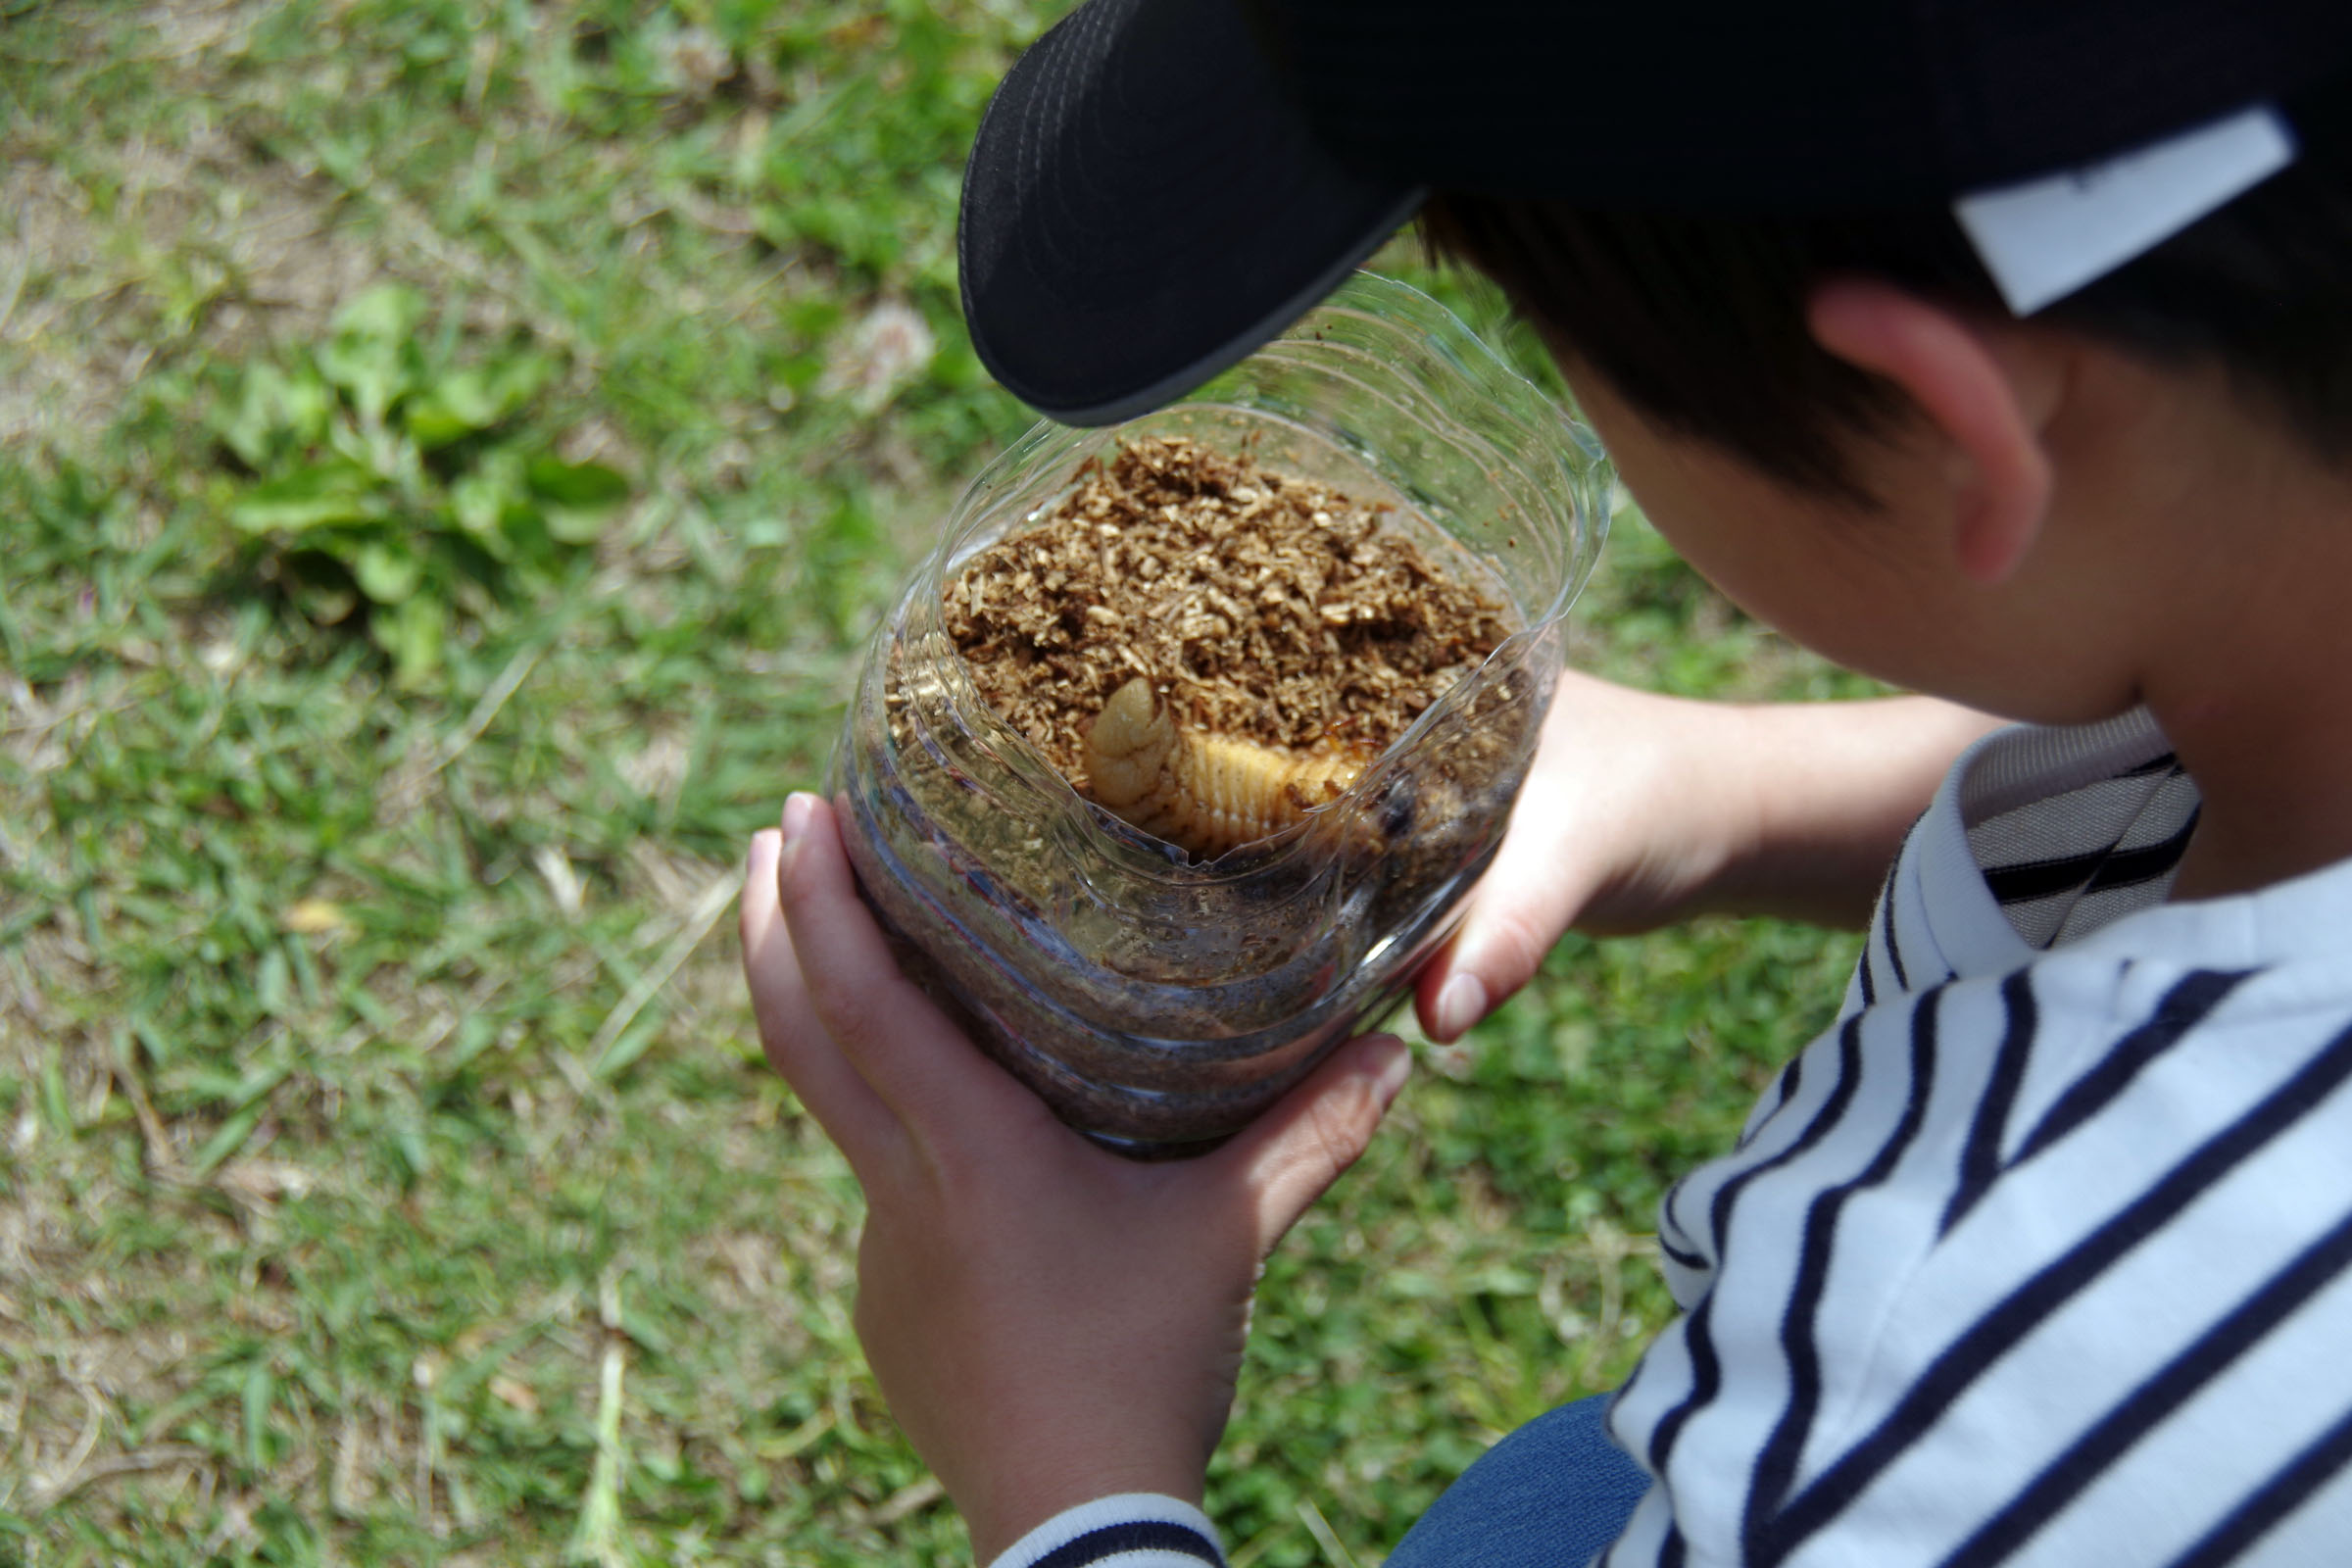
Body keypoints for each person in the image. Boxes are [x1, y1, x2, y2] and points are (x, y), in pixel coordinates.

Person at [739, 1, 2352, 1562]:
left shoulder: (1957, 1374)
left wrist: (1068, 1471)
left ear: (1954, 427)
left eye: (1564, 349)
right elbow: (2153, 783)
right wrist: (1739, 796)